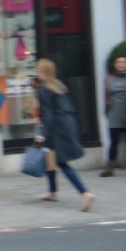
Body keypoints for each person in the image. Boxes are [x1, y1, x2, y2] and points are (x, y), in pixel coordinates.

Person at [34, 58, 94, 212]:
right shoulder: (59, 85)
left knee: (61, 162)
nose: (37, 72)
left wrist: (43, 134)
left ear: (45, 72)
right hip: (67, 125)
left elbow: (49, 114)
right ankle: (52, 192)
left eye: (39, 70)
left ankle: (85, 193)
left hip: (55, 129)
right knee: (49, 158)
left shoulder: (43, 88)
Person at [103, 54, 126, 177]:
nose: (121, 64)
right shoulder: (108, 78)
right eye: (118, 62)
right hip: (114, 114)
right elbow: (106, 96)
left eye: (124, 62)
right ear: (115, 64)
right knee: (113, 141)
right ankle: (109, 168)